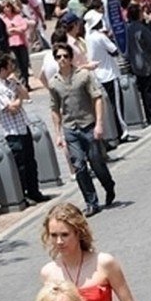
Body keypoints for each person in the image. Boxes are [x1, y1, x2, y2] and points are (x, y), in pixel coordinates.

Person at [40, 202, 137, 301]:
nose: (59, 241)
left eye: (65, 235)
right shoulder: (48, 273)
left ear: (78, 232)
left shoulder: (104, 263)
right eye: (54, 235)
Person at [49, 42, 115, 217]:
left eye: (65, 56)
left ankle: (109, 185)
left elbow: (97, 98)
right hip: (70, 129)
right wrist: (58, 134)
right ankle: (91, 202)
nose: (62, 59)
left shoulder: (83, 75)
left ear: (71, 58)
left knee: (96, 162)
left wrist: (99, 123)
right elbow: (54, 109)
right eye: (58, 56)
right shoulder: (54, 83)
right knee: (79, 166)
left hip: (88, 125)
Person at [0, 51, 48, 204]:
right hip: (11, 132)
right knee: (20, 166)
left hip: (23, 127)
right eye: (10, 65)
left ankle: (34, 191)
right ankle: (23, 195)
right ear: (3, 68)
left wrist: (17, 84)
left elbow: (26, 96)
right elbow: (11, 108)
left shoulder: (11, 82)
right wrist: (18, 98)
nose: (13, 67)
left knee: (31, 162)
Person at [84, 9, 129, 143]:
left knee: (108, 107)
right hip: (109, 74)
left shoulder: (89, 36)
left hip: (98, 75)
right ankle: (123, 131)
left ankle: (115, 131)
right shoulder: (100, 37)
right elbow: (115, 51)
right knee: (117, 105)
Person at [125, 3, 151, 126]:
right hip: (146, 63)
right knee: (150, 91)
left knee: (144, 91)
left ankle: (149, 115)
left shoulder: (127, 29)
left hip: (135, 64)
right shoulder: (141, 29)